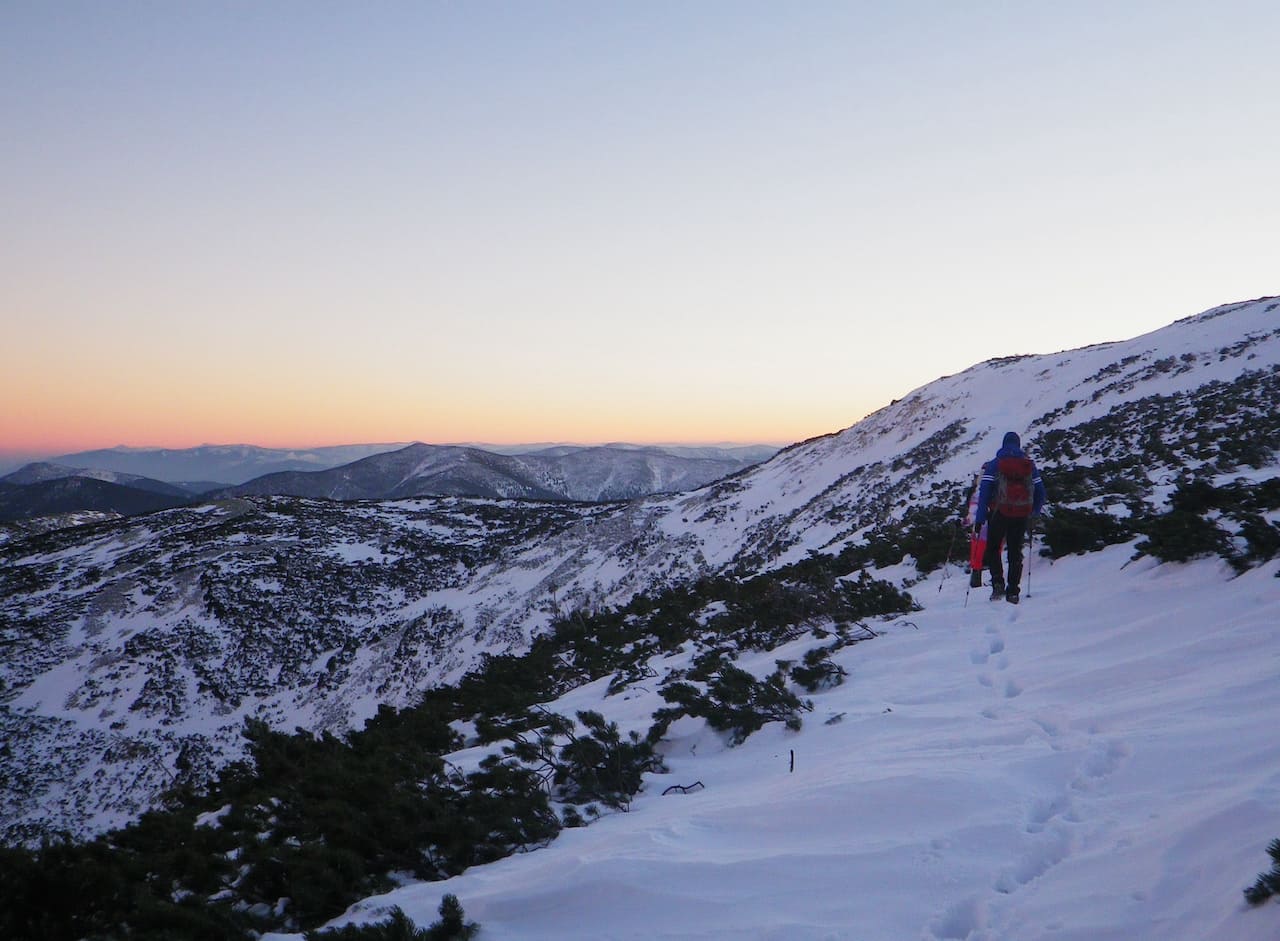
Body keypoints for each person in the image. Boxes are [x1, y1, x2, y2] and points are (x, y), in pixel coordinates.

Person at [973, 431, 1047, 604]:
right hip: (1021, 514)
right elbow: (1041, 491)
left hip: (999, 513)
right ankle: (1013, 591)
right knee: (1015, 552)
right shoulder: (1028, 465)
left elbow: (984, 493)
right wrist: (1033, 512)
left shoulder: (994, 464)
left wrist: (980, 518)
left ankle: (998, 584)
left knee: (993, 548)